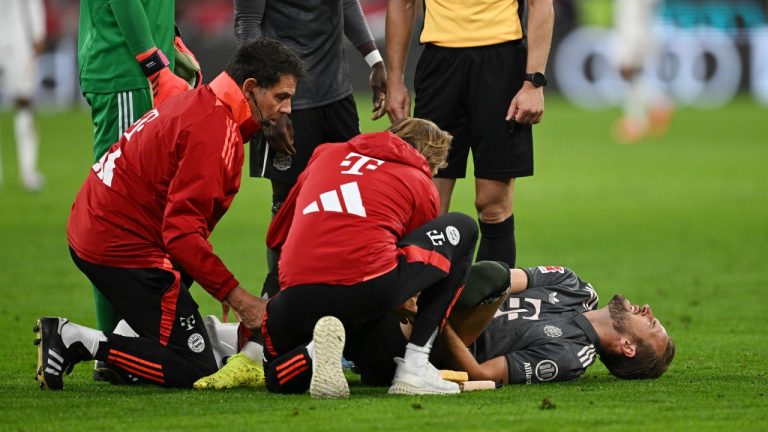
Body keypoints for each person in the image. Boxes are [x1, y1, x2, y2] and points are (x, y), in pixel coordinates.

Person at [33, 39, 306, 390]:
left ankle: (124, 347)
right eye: (281, 97)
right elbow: (180, 235)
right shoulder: (214, 130)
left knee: (188, 269)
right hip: (120, 245)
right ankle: (76, 339)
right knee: (194, 365)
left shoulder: (204, 102)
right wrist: (238, 297)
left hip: (100, 223)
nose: (287, 109)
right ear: (250, 88)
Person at [197, 118, 478, 398]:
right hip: (368, 288)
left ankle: (314, 352)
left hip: (294, 297)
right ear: (430, 159)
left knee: (275, 378)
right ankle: (416, 365)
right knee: (464, 228)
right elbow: (418, 265)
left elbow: (276, 238)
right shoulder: (419, 181)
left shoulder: (327, 154)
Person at [78, 0, 202, 377]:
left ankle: (122, 340)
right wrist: (152, 60)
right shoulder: (137, 71)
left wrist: (171, 42)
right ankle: (113, 345)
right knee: (121, 213)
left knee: (136, 211)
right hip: (128, 74)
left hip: (132, 70)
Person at [385, 0, 554, 269]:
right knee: (429, 206)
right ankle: (425, 307)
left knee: (493, 204)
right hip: (439, 65)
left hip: (502, 64)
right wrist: (393, 80)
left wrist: (533, 83)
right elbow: (401, 4)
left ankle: (489, 307)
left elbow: (540, 5)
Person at [233, 0, 387, 283]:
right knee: (287, 203)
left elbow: (347, 4)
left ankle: (342, 284)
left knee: (349, 194)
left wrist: (374, 59)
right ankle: (280, 290)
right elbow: (247, 26)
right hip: (287, 100)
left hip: (336, 93)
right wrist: (269, 104)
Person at [354, 262, 676, 385]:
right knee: (493, 275)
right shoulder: (576, 286)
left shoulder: (569, 357)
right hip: (417, 296)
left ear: (627, 347)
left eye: (651, 323)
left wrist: (436, 317)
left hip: (417, 340)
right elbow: (504, 277)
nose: (647, 309)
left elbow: (480, 374)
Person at [612, 0, 674, 144]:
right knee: (632, 77)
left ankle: (657, 104)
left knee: (628, 72)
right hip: (635, 29)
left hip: (633, 32)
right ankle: (637, 120)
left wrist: (635, 40)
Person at [0, 0, 46, 192]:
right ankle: (28, 173)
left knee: (24, 105)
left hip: (14, 41)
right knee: (25, 105)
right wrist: (38, 34)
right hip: (19, 43)